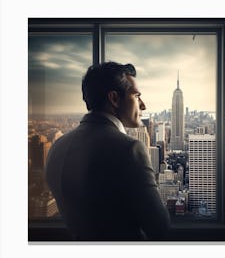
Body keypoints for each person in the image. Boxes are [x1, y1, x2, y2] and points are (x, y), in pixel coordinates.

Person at [45, 61, 170, 241]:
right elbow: (160, 228)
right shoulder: (129, 149)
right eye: (136, 96)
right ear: (114, 98)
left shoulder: (57, 146)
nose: (143, 105)